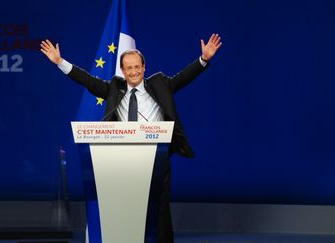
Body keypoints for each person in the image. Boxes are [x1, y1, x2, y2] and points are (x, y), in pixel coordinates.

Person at [41, 34, 222, 243]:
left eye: (137, 67)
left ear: (144, 67)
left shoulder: (160, 84)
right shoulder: (114, 89)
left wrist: (204, 59)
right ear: (123, 71)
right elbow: (88, 81)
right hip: (122, 160)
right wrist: (60, 62)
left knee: (159, 210)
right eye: (129, 68)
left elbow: (183, 77)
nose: (134, 72)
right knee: (125, 210)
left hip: (157, 160)